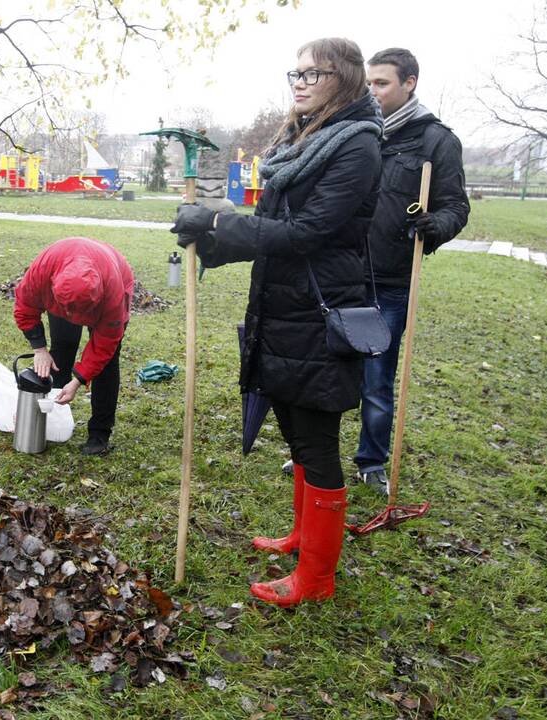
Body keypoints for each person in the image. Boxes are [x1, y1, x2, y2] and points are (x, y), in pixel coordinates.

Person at [170, 38, 382, 607]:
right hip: (280, 306)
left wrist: (219, 220)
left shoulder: (357, 145)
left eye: (316, 73)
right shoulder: (296, 140)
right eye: (297, 72)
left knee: (316, 441)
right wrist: (213, 245)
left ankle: (317, 577)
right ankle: (300, 536)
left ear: (347, 78)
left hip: (320, 312)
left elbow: (308, 233)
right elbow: (273, 230)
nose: (301, 82)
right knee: (292, 428)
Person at [353, 48, 470, 493]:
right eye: (369, 83)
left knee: (377, 378)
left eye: (382, 83)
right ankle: (313, 450)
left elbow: (456, 207)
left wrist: (434, 225)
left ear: (410, 82)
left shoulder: (435, 140)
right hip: (344, 271)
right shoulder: (361, 131)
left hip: (391, 279)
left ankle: (370, 461)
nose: (373, 91)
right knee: (329, 367)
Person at [13, 237, 134, 455]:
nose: (75, 318)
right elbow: (25, 307)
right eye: (70, 312)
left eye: (81, 313)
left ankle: (99, 434)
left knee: (107, 365)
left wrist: (78, 380)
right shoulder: (42, 272)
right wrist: (39, 349)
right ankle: (49, 415)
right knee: (63, 346)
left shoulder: (112, 294)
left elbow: (104, 345)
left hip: (114, 275)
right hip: (65, 286)